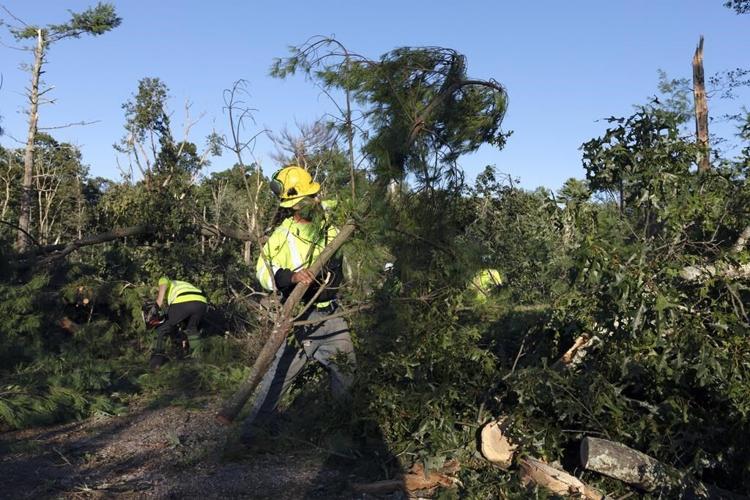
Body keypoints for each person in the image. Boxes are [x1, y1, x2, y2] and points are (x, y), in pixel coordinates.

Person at [241, 164, 356, 443]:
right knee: (280, 376)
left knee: (347, 372)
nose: (306, 206)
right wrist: (290, 276)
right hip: (301, 317)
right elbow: (262, 271)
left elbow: (352, 208)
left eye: (310, 199)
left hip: (331, 315)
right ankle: (248, 435)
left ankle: (347, 432)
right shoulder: (283, 234)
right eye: (299, 203)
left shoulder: (330, 218)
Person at [149, 276, 207, 369]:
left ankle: (156, 361)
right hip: (201, 302)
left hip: (183, 300)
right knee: (192, 329)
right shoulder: (184, 284)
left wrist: (157, 305)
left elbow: (163, 284)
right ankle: (197, 361)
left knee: (162, 329)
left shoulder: (165, 280)